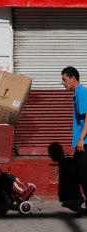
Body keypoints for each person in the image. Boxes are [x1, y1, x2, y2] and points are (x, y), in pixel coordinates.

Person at [61, 66, 87, 217]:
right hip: (82, 142)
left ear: (73, 79)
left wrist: (81, 139)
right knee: (79, 174)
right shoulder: (78, 93)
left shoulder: (81, 92)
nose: (63, 83)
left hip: (85, 142)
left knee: (84, 176)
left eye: (64, 80)